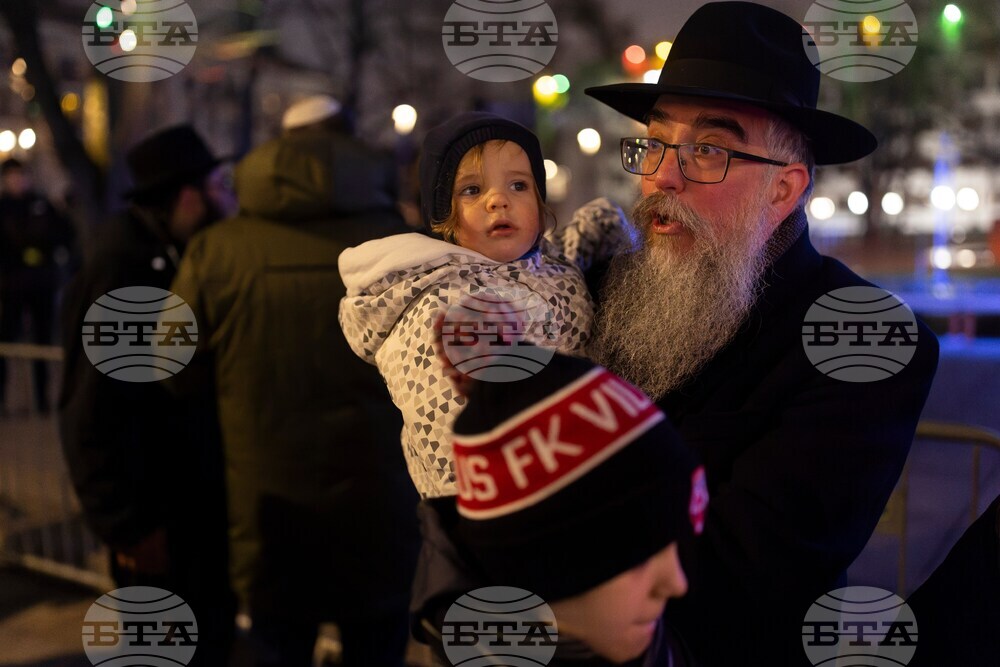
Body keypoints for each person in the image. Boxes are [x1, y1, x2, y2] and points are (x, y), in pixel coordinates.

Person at [582, 3, 939, 664]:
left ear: (784, 190)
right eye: (655, 142)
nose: (663, 175)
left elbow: (740, 577)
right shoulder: (591, 287)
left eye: (710, 149)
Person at [168, 111, 421, 667]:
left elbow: (175, 372)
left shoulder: (216, 252)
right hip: (384, 513)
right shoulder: (407, 249)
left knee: (274, 648)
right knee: (376, 649)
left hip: (269, 519)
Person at [339, 111, 631, 498]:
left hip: (575, 476)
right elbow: (453, 432)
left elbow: (556, 270)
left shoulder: (539, 263)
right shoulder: (443, 305)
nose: (499, 201)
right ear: (442, 219)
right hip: (502, 507)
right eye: (472, 190)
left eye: (518, 185)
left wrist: (600, 230)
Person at [58, 125, 237, 666]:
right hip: (156, 525)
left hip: (185, 513)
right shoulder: (127, 270)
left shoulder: (160, 253)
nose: (225, 203)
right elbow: (92, 411)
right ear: (187, 197)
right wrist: (127, 527)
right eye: (217, 190)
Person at [411, 350, 707, 666]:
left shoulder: (620, 636)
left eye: (674, 540)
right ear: (540, 570)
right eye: (638, 559)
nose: (677, 583)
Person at [0, 157, 75, 413]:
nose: (17, 180)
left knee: (42, 342)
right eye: (12, 175)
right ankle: (2, 400)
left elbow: (63, 235)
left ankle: (43, 400)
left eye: (20, 175)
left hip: (41, 283)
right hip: (12, 284)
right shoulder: (4, 207)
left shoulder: (41, 204)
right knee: (7, 341)